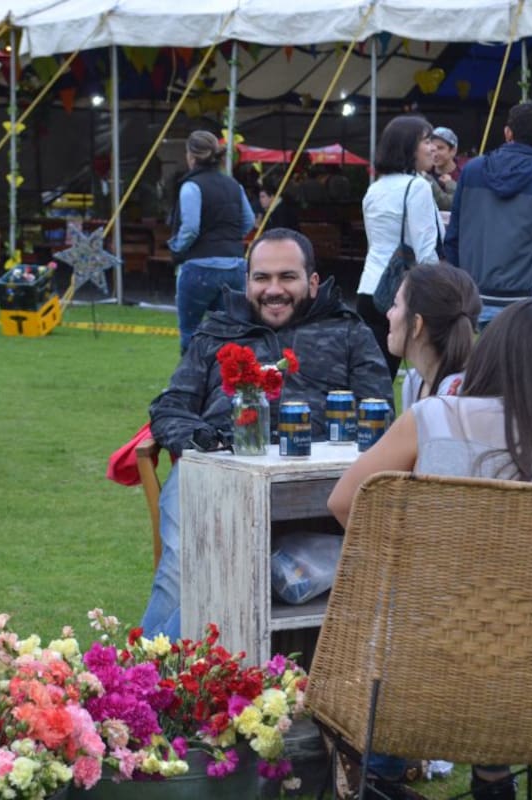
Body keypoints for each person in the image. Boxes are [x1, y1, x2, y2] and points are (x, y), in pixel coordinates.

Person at [328, 297, 532, 800]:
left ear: (493, 351)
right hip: (528, 673)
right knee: (499, 615)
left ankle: (378, 777)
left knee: (423, 610)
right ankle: (493, 778)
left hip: (416, 662)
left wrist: (395, 564)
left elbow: (345, 501)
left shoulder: (432, 417)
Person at [143, 228, 393, 638]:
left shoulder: (348, 332)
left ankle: (142, 681)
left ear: (312, 283)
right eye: (261, 278)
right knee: (184, 564)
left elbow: (378, 412)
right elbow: (171, 406)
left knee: (205, 567)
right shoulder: (216, 332)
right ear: (247, 283)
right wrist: (208, 444)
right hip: (216, 477)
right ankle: (147, 681)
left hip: (321, 489)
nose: (273, 289)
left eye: (287, 277)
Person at [443, 100, 532, 327]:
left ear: (507, 132)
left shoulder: (473, 170)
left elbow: (453, 235)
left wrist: (465, 282)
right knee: (527, 361)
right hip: (527, 294)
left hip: (477, 292)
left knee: (486, 361)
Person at [358, 115, 444, 377]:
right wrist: (439, 295)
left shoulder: (375, 188)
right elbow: (426, 251)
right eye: (426, 141)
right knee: (426, 370)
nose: (432, 148)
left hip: (369, 289)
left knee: (374, 377)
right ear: (408, 147)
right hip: (400, 294)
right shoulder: (417, 186)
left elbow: (376, 243)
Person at [168, 129, 256, 354]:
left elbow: (190, 228)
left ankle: (190, 382)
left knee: (191, 331)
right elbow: (249, 221)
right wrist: (229, 238)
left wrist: (177, 246)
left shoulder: (191, 186)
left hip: (199, 266)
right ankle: (225, 383)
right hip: (235, 265)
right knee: (231, 332)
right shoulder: (234, 186)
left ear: (191, 156)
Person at [393, 263, 481, 409]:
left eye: (395, 305)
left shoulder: (456, 393)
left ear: (416, 324)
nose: (388, 314)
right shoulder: (413, 382)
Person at [427, 126, 462, 211]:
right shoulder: (424, 174)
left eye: (440, 148)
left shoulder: (464, 174)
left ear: (453, 151)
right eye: (432, 148)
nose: (435, 153)